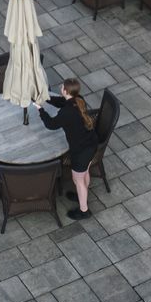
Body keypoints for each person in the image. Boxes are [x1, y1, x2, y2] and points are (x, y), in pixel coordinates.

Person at [40, 79, 100, 220]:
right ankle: (82, 197)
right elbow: (62, 102)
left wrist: (40, 109)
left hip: (81, 151)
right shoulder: (79, 100)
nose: (60, 87)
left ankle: (84, 210)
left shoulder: (67, 112)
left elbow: (51, 124)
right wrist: (46, 98)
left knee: (78, 179)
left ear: (65, 91)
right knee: (84, 173)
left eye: (62, 87)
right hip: (91, 143)